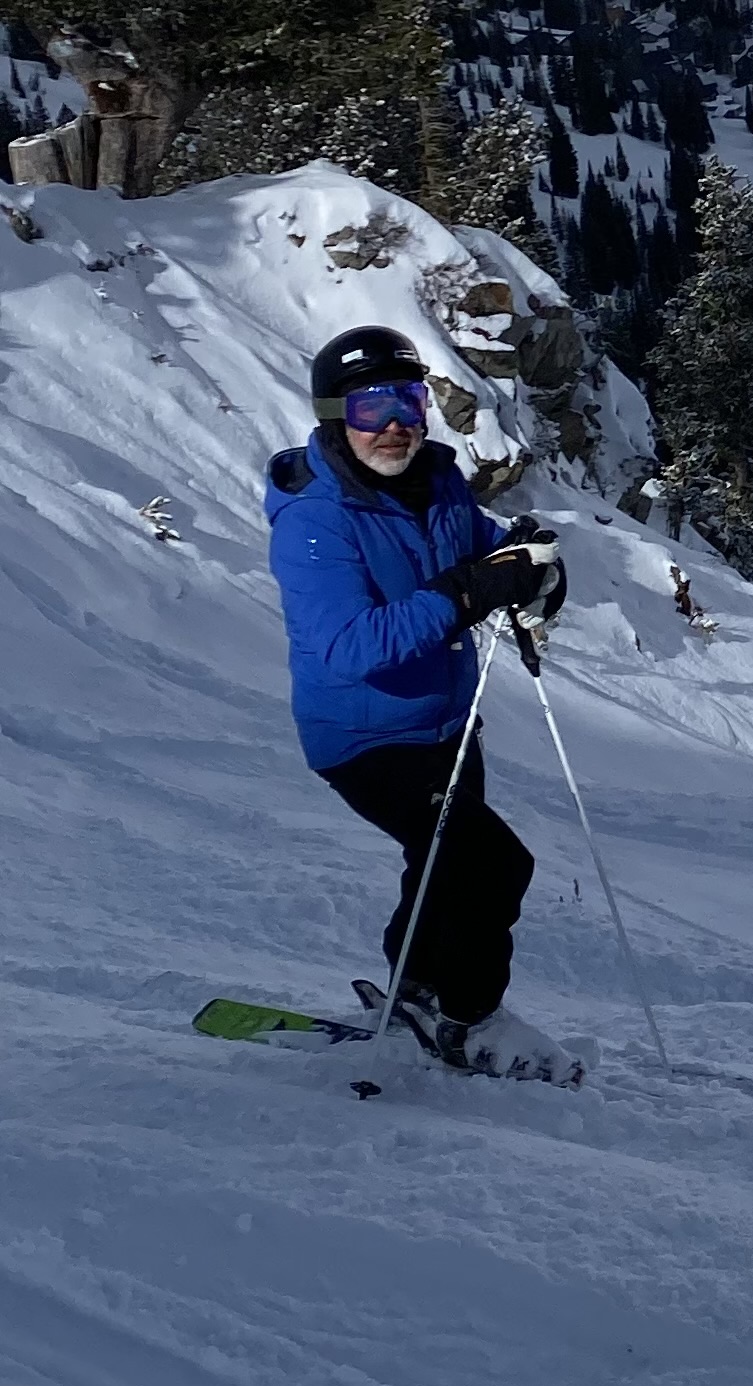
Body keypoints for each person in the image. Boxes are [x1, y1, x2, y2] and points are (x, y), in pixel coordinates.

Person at [265, 326, 578, 1084]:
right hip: (364, 737)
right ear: (337, 415)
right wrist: (469, 592)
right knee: (493, 863)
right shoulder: (315, 521)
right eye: (373, 407)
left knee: (439, 863)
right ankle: (472, 1020)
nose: (396, 423)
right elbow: (348, 646)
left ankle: (416, 989)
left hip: (446, 720)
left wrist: (525, 563)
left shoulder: (436, 482)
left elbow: (481, 551)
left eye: (408, 400)